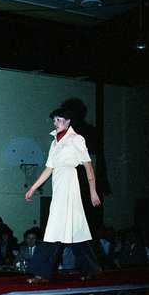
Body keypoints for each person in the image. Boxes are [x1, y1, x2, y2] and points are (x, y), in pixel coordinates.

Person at [25, 107, 101, 283]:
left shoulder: (76, 139)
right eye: (54, 120)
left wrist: (93, 191)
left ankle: (41, 273)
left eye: (58, 120)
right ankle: (92, 268)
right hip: (58, 185)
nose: (55, 123)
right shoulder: (54, 143)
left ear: (68, 121)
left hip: (69, 184)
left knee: (54, 228)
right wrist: (33, 188)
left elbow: (88, 165)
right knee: (75, 229)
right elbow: (49, 168)